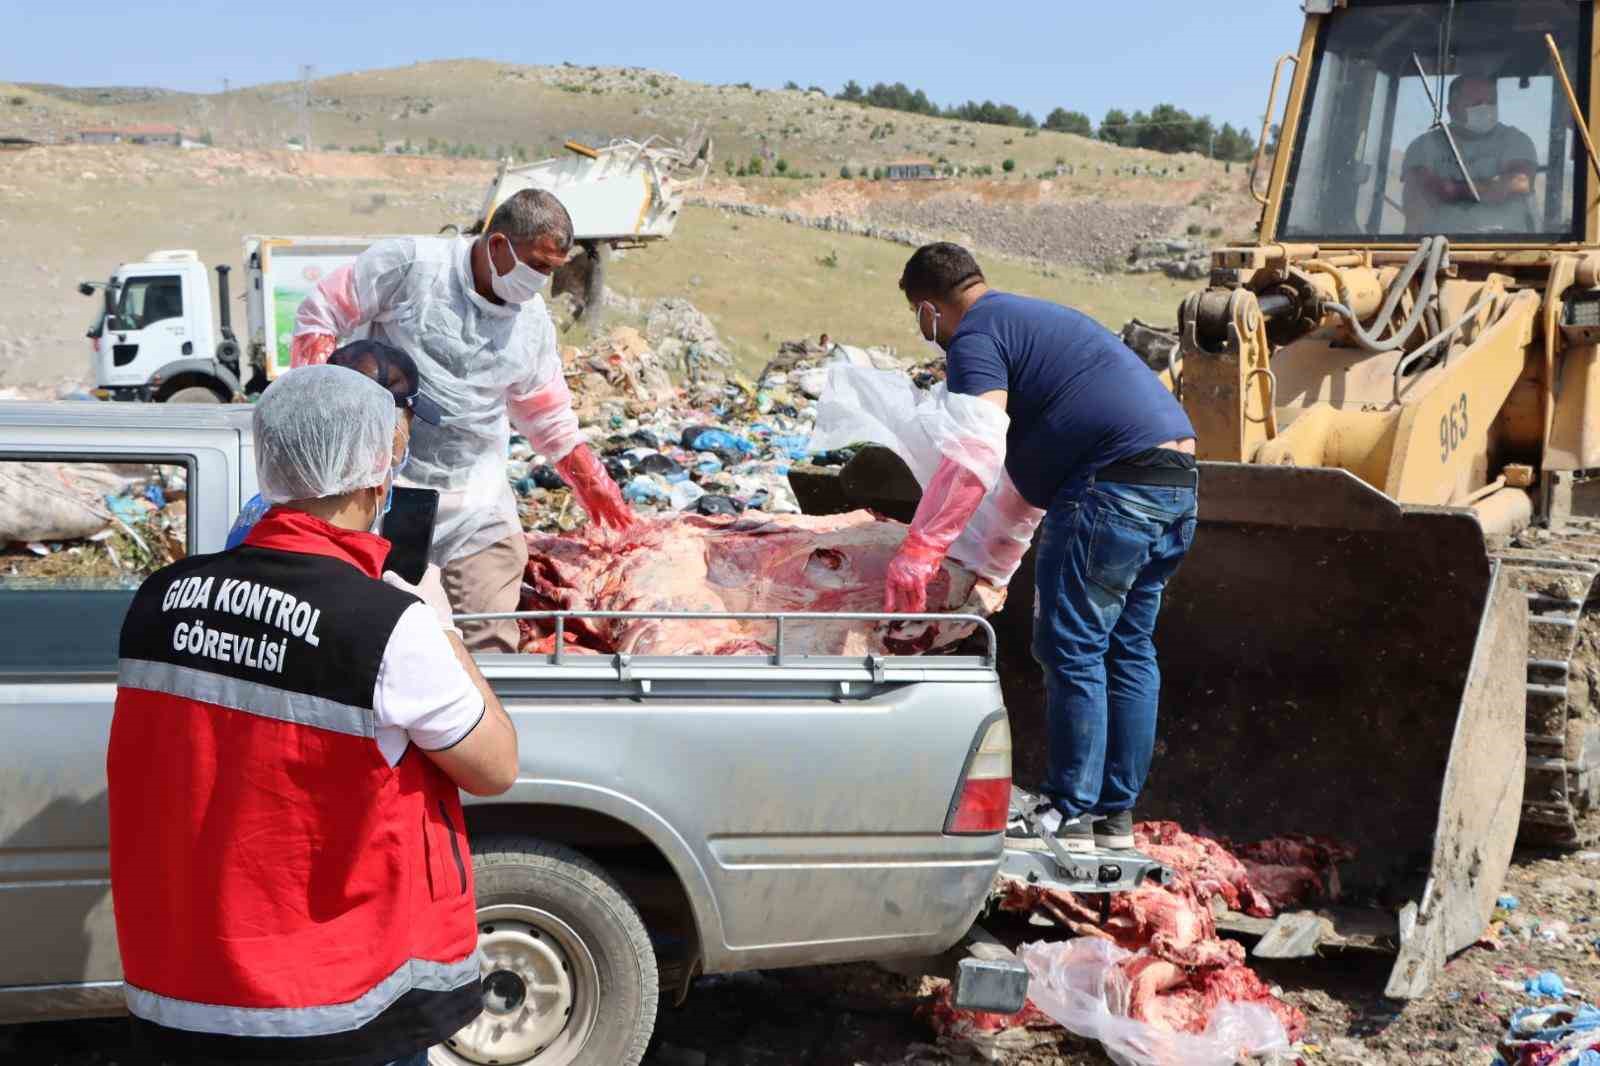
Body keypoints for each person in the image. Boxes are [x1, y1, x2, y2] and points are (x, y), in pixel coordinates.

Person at [108, 364, 519, 1066]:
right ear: (374, 479)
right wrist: (438, 624)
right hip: (329, 1014)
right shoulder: (387, 626)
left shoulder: (160, 598)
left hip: (185, 996)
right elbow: (496, 765)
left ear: (270, 462)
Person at [885, 243, 1197, 854]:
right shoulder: (1034, 329)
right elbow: (1019, 492)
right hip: (1176, 486)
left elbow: (974, 454)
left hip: (1111, 486)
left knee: (1072, 645)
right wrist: (994, 572)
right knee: (1128, 647)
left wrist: (921, 550)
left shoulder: (977, 336)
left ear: (930, 308)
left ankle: (1067, 810)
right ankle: (1114, 818)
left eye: (919, 319)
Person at [290, 189, 635, 653]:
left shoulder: (532, 325)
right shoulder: (411, 266)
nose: (541, 281)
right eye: (537, 265)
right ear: (497, 246)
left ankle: (481, 723)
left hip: (477, 499)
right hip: (388, 493)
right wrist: (319, 413)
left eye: (551, 269)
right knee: (384, 636)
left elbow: (546, 413)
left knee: (489, 638)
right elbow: (322, 312)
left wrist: (591, 482)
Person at [225, 339, 443, 549]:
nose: (405, 442)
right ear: (383, 438)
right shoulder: (335, 536)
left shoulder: (267, 510)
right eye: (408, 424)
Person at [1402, 75, 1538, 234]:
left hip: (1507, 247)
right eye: (1476, 103)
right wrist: (1488, 188)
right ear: (1451, 109)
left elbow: (1518, 182)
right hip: (1438, 247)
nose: (1485, 108)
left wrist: (1451, 190)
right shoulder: (1423, 147)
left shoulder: (1516, 141)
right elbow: (1417, 194)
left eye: (1491, 102)